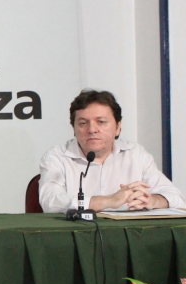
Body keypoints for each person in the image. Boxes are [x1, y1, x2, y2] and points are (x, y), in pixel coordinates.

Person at [38, 89, 184, 212]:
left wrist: (152, 200)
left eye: (101, 122)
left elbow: (177, 198)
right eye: (83, 123)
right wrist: (109, 201)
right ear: (74, 129)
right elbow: (50, 201)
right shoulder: (57, 156)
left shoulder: (135, 154)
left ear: (118, 127)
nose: (92, 130)